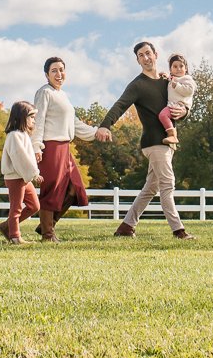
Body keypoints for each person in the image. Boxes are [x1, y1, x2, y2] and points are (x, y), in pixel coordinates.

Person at [95, 40, 194, 239]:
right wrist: (105, 125)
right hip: (154, 142)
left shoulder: (168, 80)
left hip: (168, 141)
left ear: (156, 54)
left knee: (151, 187)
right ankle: (178, 230)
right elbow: (120, 105)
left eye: (148, 53)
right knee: (168, 184)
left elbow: (181, 103)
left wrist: (185, 111)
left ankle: (126, 226)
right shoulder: (137, 85)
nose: (146, 57)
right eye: (141, 55)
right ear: (138, 60)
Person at [31, 56, 98, 242]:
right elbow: (38, 121)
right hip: (50, 147)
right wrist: (36, 146)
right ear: (46, 74)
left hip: (65, 147)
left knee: (74, 189)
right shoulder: (44, 93)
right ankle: (48, 234)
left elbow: (74, 124)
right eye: (54, 70)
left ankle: (46, 225)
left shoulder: (63, 95)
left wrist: (95, 133)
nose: (59, 74)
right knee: (51, 190)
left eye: (61, 69)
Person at [0, 101, 42, 245]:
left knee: (34, 206)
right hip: (16, 177)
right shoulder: (14, 136)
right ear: (22, 117)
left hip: (23, 177)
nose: (34, 120)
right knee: (16, 208)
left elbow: (25, 156)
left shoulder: (23, 135)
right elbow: (19, 157)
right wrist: (34, 173)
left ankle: (6, 226)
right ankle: (15, 237)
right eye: (31, 117)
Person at [157, 53, 196, 148]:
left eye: (181, 66)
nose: (178, 69)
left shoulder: (187, 78)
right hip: (173, 104)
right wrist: (165, 75)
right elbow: (170, 79)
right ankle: (172, 134)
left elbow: (190, 91)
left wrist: (177, 86)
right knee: (163, 115)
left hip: (179, 105)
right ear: (170, 69)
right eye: (175, 66)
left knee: (163, 115)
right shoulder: (173, 79)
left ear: (186, 68)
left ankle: (172, 135)